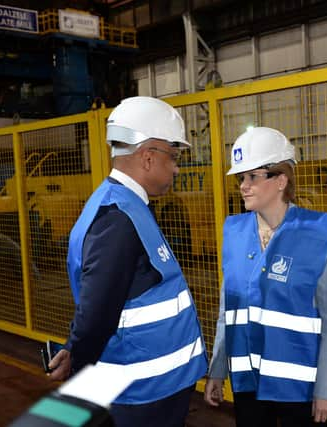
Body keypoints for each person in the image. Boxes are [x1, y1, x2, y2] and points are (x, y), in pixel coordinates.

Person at [48, 96, 208, 427]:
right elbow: (98, 309)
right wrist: (79, 359)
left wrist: (75, 347)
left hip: (150, 387)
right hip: (144, 393)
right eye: (174, 157)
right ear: (148, 157)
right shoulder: (118, 218)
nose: (176, 167)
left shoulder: (124, 206)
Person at [204, 127, 327, 427]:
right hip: (249, 387)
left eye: (253, 177)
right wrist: (217, 369)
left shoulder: (318, 235)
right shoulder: (234, 232)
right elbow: (226, 311)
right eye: (240, 178)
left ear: (281, 180)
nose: (243, 186)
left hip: (301, 391)